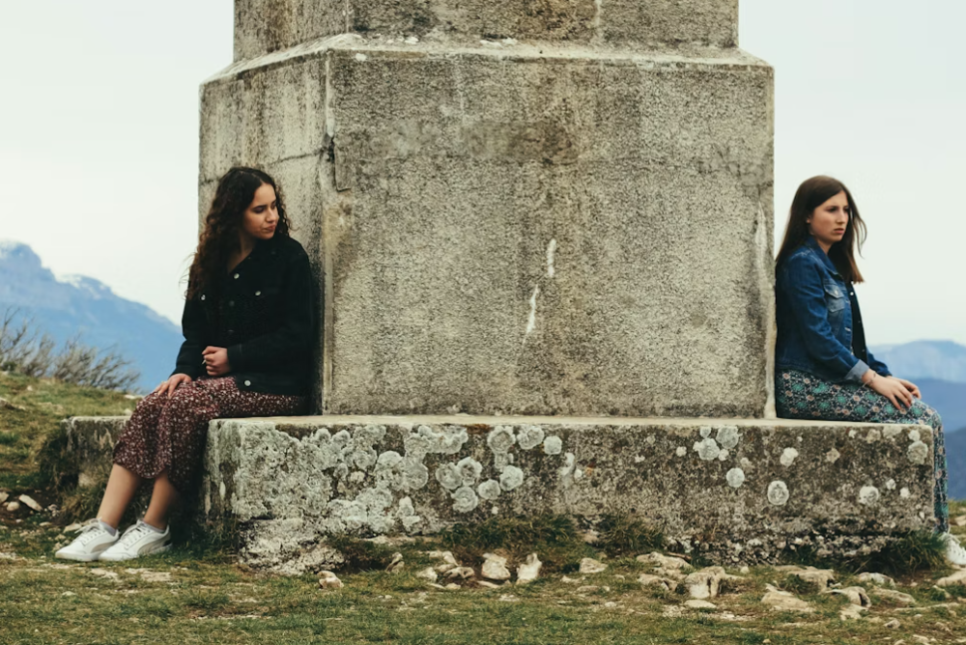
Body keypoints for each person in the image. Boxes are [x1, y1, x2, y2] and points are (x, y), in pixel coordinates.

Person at [56, 167, 316, 561]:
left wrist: (235, 357)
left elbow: (299, 335)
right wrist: (182, 370)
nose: (272, 217)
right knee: (154, 403)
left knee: (186, 404)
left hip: (275, 385)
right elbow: (195, 334)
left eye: (274, 206)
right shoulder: (209, 262)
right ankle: (103, 527)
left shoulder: (289, 258)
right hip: (220, 384)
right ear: (234, 214)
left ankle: (154, 528)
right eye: (259, 209)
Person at [774, 175, 965, 565]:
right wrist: (872, 380)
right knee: (925, 418)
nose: (841, 218)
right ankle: (936, 537)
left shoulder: (832, 267)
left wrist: (885, 375)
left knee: (925, 414)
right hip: (803, 386)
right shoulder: (801, 265)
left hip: (828, 380)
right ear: (807, 216)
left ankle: (936, 533)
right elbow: (819, 340)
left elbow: (853, 346)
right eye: (831, 209)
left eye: (846, 210)